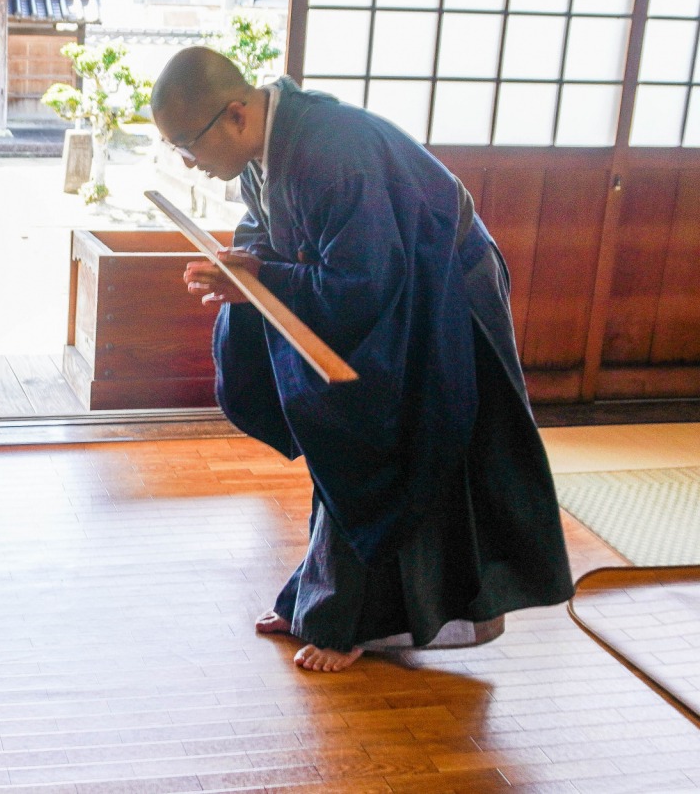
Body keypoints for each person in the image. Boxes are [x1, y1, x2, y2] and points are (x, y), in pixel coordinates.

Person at [151, 47, 574, 672]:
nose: (187, 160)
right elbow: (275, 234)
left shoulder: (332, 149)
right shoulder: (263, 153)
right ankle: (319, 603)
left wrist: (263, 277)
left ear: (236, 114)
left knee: (390, 447)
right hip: (392, 287)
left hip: (441, 294)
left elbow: (365, 282)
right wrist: (244, 269)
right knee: (345, 444)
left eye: (188, 143)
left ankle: (354, 619)